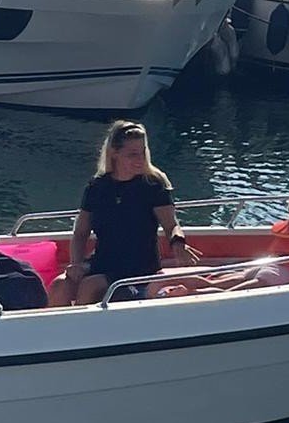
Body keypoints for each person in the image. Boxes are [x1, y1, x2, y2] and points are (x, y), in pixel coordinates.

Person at [48, 121, 200, 306]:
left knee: (89, 286)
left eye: (143, 152)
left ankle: (84, 332)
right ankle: (55, 331)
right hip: (104, 261)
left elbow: (171, 225)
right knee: (60, 285)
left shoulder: (152, 185)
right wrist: (76, 264)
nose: (140, 159)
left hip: (138, 266)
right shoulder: (97, 187)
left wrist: (178, 243)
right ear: (114, 153)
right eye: (133, 154)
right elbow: (81, 232)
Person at [153, 193, 289, 297]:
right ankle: (188, 293)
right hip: (280, 275)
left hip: (267, 265)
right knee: (227, 293)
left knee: (216, 281)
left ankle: (180, 284)